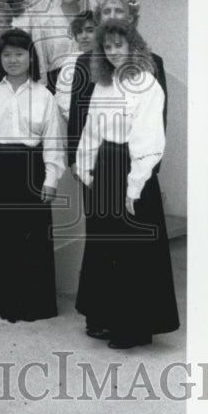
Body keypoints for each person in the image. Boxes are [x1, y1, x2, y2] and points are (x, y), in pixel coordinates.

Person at [75, 20, 179, 349]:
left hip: (132, 171)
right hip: (105, 168)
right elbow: (92, 129)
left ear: (133, 46)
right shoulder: (102, 84)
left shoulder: (147, 84)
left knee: (131, 252)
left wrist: (134, 186)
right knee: (105, 245)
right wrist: (85, 167)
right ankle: (104, 318)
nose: (114, 52)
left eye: (120, 45)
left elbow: (148, 139)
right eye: (108, 47)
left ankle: (131, 328)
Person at [0, 28, 64, 321]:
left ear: (30, 57)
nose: (13, 60)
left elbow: (54, 141)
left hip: (30, 172)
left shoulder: (45, 95)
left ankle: (30, 303)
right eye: (6, 54)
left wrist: (50, 179)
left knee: (29, 241)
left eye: (19, 54)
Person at [66, 0, 167, 171]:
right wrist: (74, 159)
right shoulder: (83, 62)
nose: (112, 15)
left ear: (130, 18)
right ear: (99, 19)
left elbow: (159, 119)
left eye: (119, 11)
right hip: (97, 160)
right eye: (106, 11)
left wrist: (152, 164)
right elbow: (77, 114)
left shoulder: (154, 62)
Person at [29, 0, 87, 90]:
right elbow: (40, 63)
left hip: (87, 82)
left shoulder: (90, 20)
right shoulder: (43, 21)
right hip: (55, 85)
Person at [54, 10, 96, 122]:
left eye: (90, 31)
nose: (84, 36)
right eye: (79, 32)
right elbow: (63, 98)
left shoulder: (111, 59)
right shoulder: (71, 61)